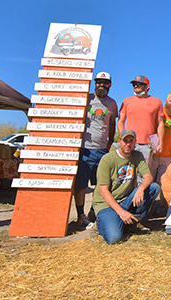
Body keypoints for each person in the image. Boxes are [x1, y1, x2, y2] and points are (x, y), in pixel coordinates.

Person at [92, 129, 161, 244]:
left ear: (135, 142)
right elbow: (103, 191)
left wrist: (140, 189)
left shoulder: (137, 156)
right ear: (119, 142)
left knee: (154, 188)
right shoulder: (107, 159)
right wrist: (121, 212)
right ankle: (101, 222)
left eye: (131, 141)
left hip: (126, 200)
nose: (128, 144)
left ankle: (131, 223)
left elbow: (148, 177)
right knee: (114, 238)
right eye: (125, 141)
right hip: (107, 204)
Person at [74, 71, 118, 228]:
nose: (101, 85)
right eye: (99, 82)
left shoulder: (112, 103)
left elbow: (112, 123)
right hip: (85, 148)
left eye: (105, 82)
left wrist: (111, 141)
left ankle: (94, 211)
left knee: (101, 184)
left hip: (102, 150)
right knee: (80, 184)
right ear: (95, 83)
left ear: (110, 85)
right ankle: (80, 215)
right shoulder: (87, 99)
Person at [117, 75, 165, 166]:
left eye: (139, 84)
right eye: (134, 84)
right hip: (128, 143)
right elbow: (120, 122)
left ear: (147, 86)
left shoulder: (157, 102)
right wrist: (122, 138)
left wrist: (160, 143)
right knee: (126, 174)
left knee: (143, 176)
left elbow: (161, 124)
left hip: (146, 145)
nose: (135, 86)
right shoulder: (127, 101)